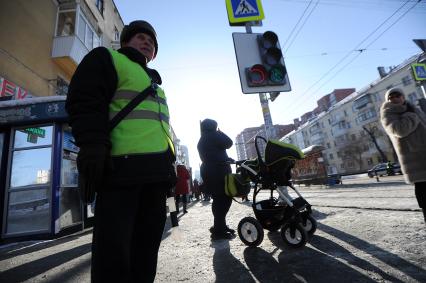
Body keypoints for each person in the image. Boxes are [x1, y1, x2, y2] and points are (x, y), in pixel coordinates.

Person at [65, 20, 176, 282]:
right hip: (120, 173)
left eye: (152, 40)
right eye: (140, 36)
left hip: (156, 179)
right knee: (113, 254)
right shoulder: (108, 58)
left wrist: (169, 169)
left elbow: (160, 131)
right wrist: (92, 144)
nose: (147, 41)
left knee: (146, 252)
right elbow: (84, 100)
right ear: (125, 42)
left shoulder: (157, 86)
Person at [380, 87, 426, 223]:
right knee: (424, 196)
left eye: (397, 95)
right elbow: (399, 130)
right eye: (391, 97)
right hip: (415, 161)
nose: (394, 98)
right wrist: (411, 116)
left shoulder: (414, 109)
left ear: (403, 97)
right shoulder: (388, 113)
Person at [197, 119, 235, 239]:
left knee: (219, 200)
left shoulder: (202, 139)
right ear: (214, 126)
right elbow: (229, 143)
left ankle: (219, 227)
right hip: (218, 171)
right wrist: (221, 132)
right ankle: (218, 231)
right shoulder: (214, 135)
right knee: (224, 199)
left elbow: (214, 154)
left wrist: (227, 159)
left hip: (209, 171)